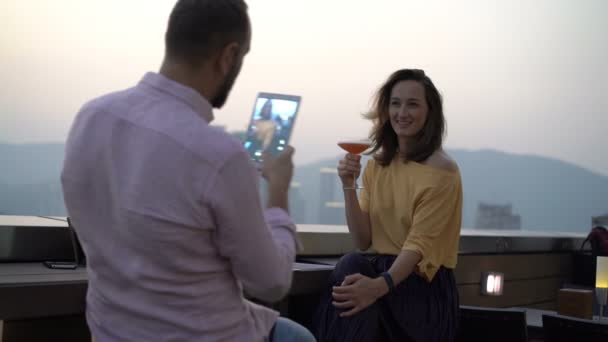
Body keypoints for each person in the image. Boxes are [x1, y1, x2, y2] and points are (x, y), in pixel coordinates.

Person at [61, 1, 315, 341]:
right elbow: (271, 283)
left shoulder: (91, 116)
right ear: (228, 56)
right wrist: (279, 190)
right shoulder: (219, 156)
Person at [313, 69, 462, 342]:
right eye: (395, 103)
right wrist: (348, 184)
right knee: (352, 264)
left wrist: (379, 286)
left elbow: (417, 248)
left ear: (430, 112)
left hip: (419, 291)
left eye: (413, 104)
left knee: (351, 271)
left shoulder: (443, 171)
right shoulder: (378, 166)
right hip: (380, 278)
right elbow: (362, 238)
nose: (402, 112)